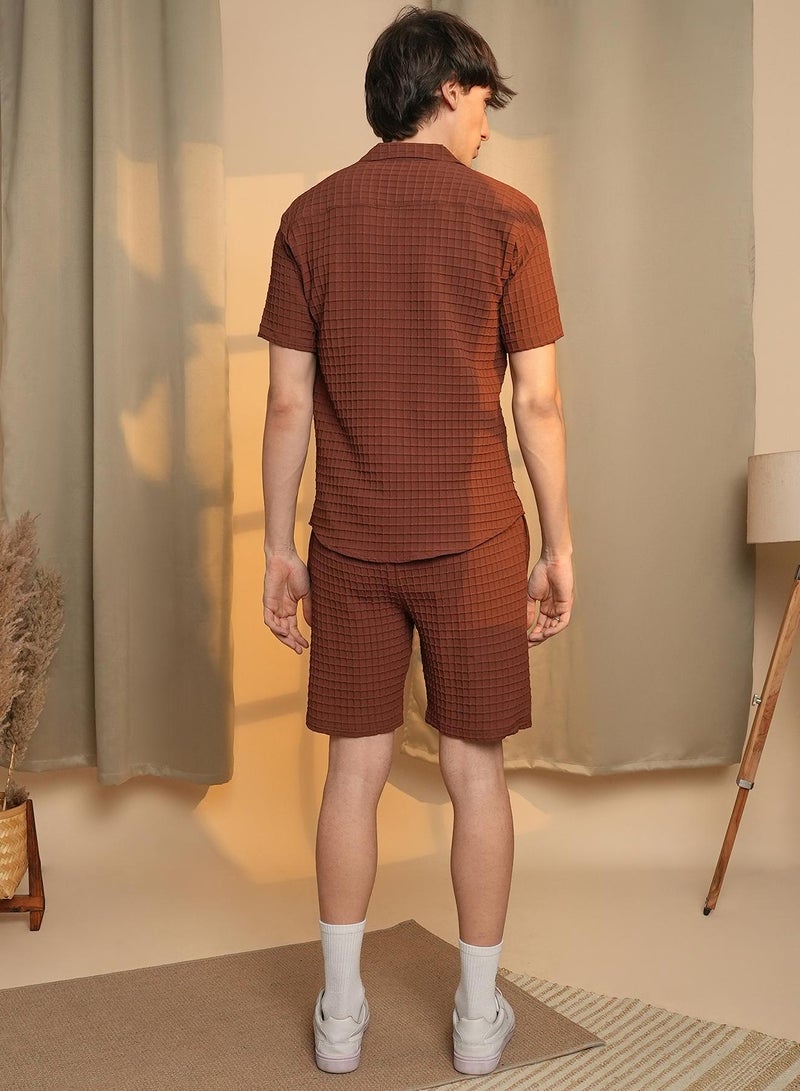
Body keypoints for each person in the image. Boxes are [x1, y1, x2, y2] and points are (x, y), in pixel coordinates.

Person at [258, 4, 573, 1076]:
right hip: (477, 540)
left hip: (349, 543)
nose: (487, 122)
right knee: (476, 775)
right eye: (483, 99)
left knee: (352, 773)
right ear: (446, 90)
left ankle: (340, 1017)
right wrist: (558, 543)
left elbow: (286, 405)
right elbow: (538, 404)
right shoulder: (510, 216)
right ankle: (477, 1020)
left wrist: (277, 547)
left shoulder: (308, 217)